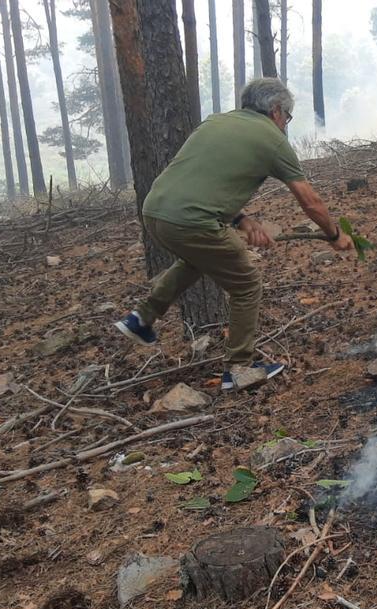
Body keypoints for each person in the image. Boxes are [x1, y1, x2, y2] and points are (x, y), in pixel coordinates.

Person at [114, 77, 352, 391]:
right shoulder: (273, 139)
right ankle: (239, 368)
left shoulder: (216, 122)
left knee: (199, 260)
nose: (285, 125)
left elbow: (202, 180)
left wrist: (242, 220)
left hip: (155, 212)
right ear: (276, 110)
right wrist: (335, 235)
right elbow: (309, 200)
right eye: (287, 118)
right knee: (247, 284)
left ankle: (141, 318)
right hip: (193, 221)